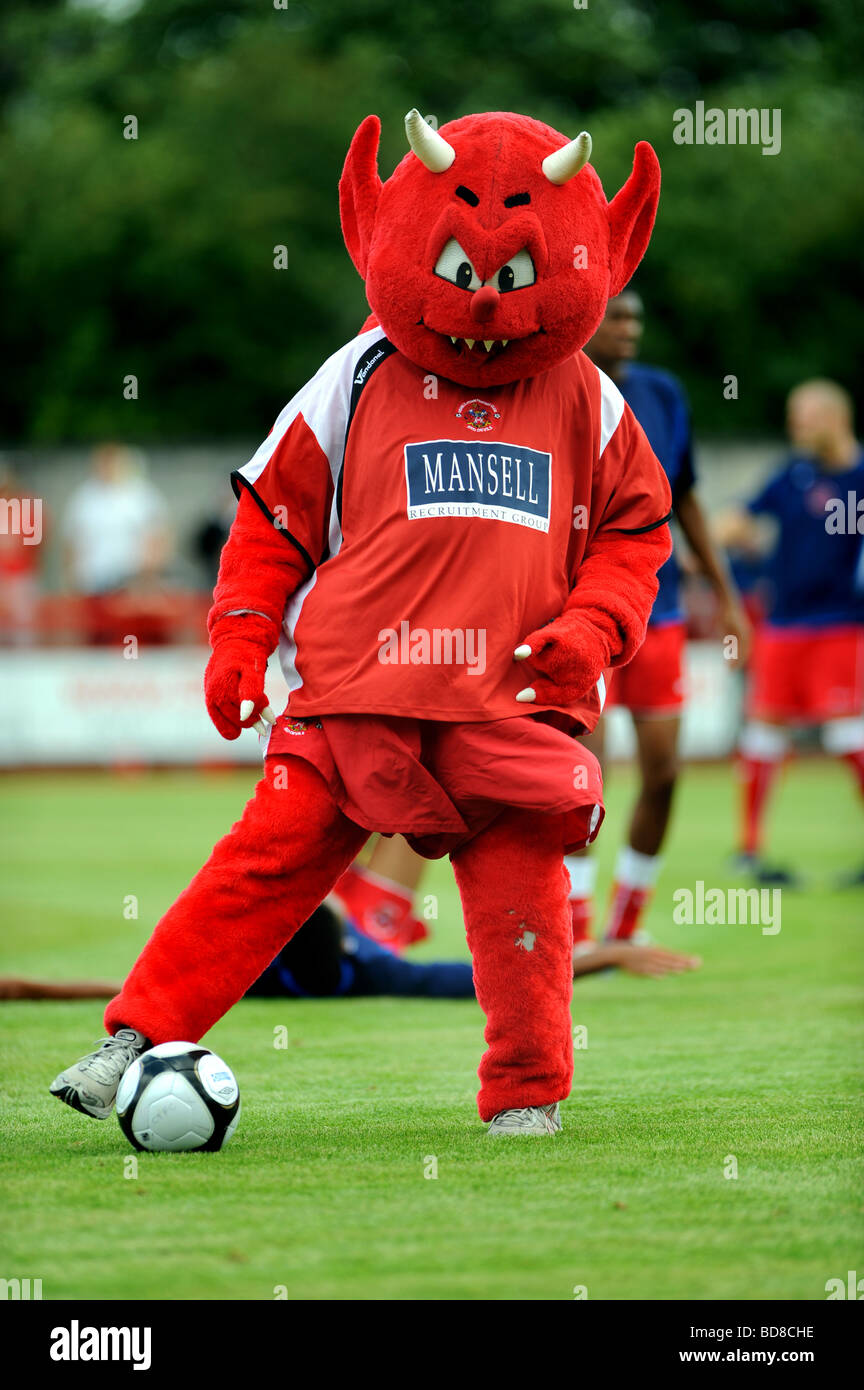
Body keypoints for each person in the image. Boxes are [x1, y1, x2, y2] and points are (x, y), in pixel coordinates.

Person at [50, 109, 673, 1138]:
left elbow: (635, 531)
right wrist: (241, 637)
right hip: (354, 691)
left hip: (508, 703)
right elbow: (272, 514)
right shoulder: (357, 370)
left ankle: (527, 1096)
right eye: (461, 270)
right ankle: (133, 1036)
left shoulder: (590, 398)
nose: (482, 299)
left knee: (521, 910)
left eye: (513, 279)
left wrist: (597, 625)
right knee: (258, 870)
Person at [565, 290, 749, 944]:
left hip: (660, 609)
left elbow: (688, 496)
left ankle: (627, 921)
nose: (629, 329)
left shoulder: (664, 394)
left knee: (666, 771)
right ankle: (578, 924)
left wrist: (726, 596)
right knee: (583, 776)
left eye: (636, 318)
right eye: (616, 317)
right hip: (577, 613)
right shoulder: (550, 387)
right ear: (586, 321)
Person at [717, 379, 864, 883]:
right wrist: (718, 537)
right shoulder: (794, 474)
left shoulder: (860, 476)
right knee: (762, 734)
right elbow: (741, 518)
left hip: (842, 625)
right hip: (783, 626)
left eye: (804, 418)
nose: (795, 427)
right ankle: (750, 851)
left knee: (849, 732)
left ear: (835, 418)